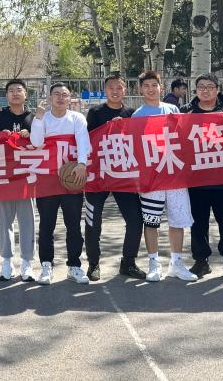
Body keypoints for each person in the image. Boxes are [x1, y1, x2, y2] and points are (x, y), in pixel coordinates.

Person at [131, 71, 198, 282]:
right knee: (151, 220)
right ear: (140, 89)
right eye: (146, 86)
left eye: (154, 85)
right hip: (151, 177)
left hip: (174, 173)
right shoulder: (137, 115)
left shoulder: (172, 109)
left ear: (161, 87)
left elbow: (181, 139)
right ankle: (154, 263)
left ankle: (176, 263)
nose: (151, 89)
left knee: (177, 219)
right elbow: (136, 148)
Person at [84, 73, 146, 281]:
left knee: (135, 219)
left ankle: (128, 262)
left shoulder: (132, 113)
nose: (115, 91)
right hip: (99, 176)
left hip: (123, 175)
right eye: (111, 88)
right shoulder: (95, 112)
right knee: (93, 221)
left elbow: (138, 141)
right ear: (105, 91)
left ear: (125, 90)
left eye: (119, 87)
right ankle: (93, 264)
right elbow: (88, 139)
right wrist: (109, 127)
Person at [30, 82, 91, 285]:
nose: (60, 98)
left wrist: (82, 164)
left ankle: (74, 266)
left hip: (71, 178)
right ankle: (46, 266)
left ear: (69, 98)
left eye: (64, 94)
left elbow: (83, 140)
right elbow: (36, 142)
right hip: (47, 179)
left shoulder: (77, 118)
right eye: (56, 94)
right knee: (46, 225)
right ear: (50, 98)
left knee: (73, 225)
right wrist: (38, 118)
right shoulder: (43, 118)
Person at [182, 73, 223, 281]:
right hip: (196, 179)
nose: (205, 90)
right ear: (195, 90)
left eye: (209, 87)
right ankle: (201, 261)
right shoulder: (186, 113)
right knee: (198, 223)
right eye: (201, 87)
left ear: (217, 90)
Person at [0, 79, 36, 282]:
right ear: (6, 95)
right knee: (5, 221)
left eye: (19, 90)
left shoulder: (33, 118)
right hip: (4, 177)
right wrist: (0, 136)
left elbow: (43, 141)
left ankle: (27, 263)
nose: (15, 93)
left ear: (26, 94)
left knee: (27, 221)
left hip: (26, 177)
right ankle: (6, 262)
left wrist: (31, 134)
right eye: (11, 90)